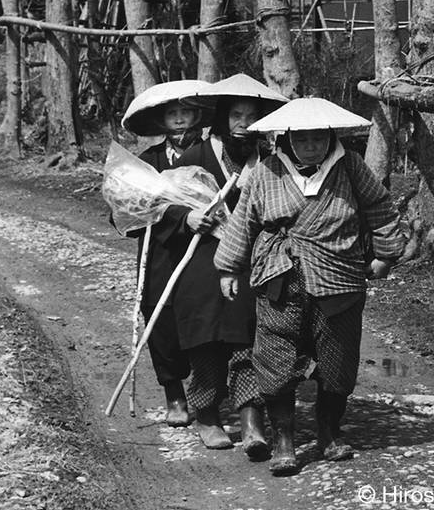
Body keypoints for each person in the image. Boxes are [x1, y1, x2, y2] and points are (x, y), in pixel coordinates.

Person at [214, 97, 406, 476]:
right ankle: (284, 441)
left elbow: (381, 209)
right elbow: (243, 222)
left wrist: (386, 254)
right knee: (274, 363)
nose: (311, 146)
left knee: (338, 365)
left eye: (318, 138)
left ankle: (328, 432)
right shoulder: (268, 170)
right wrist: (227, 268)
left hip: (339, 280)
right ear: (287, 138)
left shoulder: (350, 167)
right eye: (302, 139)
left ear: (330, 136)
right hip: (279, 279)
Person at [161, 74, 289, 458]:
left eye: (251, 115)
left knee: (246, 339)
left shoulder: (270, 163)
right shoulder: (194, 158)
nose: (243, 122)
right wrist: (186, 218)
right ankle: (207, 413)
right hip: (200, 262)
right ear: (220, 118)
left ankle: (251, 421)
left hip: (251, 261)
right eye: (235, 114)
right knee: (207, 341)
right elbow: (159, 208)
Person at [119, 79, 213, 427]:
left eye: (185, 111)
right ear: (161, 121)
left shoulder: (211, 156)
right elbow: (129, 205)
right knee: (159, 317)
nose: (178, 119)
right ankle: (174, 392)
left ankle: (209, 390)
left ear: (198, 116)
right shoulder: (147, 161)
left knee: (205, 316)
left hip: (203, 248)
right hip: (159, 250)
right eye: (171, 113)